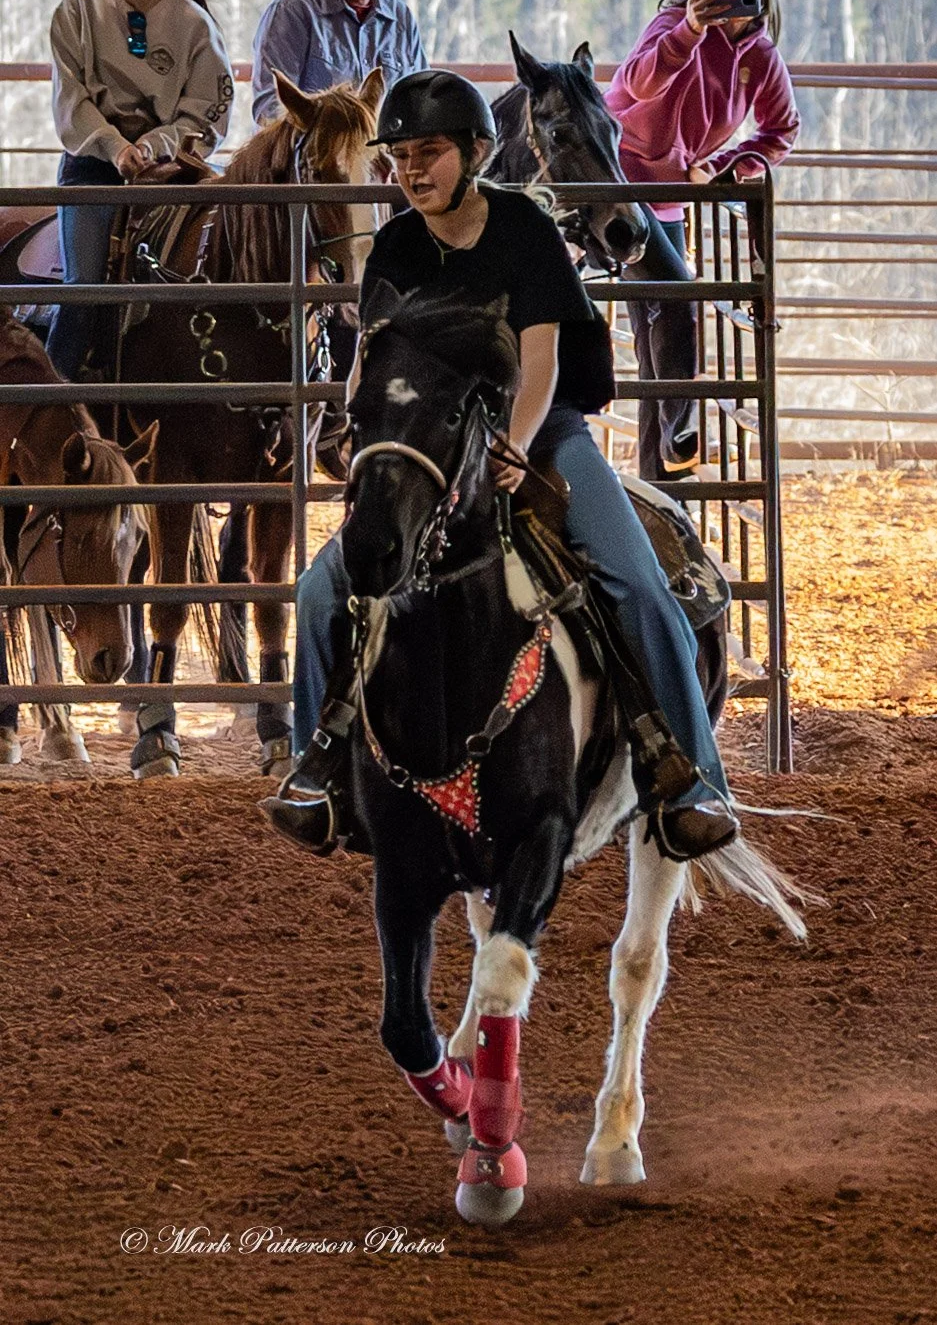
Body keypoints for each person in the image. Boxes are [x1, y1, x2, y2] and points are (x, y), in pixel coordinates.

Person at [270, 69, 739, 863]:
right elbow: (373, 356)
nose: (412, 170)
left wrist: (513, 446)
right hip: (429, 441)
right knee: (323, 588)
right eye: (400, 157)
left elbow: (540, 359)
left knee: (636, 582)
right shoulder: (396, 245)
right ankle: (319, 770)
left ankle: (691, 782)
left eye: (429, 152)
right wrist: (360, 428)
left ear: (477, 152)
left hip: (541, 433)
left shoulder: (522, 229)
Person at [605, 0, 799, 480]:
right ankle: (681, 433)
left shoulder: (760, 57)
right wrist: (690, 29)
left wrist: (724, 166)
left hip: (671, 192)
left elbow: (781, 129)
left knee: (656, 336)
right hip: (616, 180)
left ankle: (660, 481)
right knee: (676, 296)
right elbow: (636, 84)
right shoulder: (674, 23)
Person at [47, 0, 233, 381]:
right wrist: (116, 148)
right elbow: (71, 102)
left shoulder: (195, 25)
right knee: (83, 287)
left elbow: (207, 112)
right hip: (93, 163)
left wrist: (152, 147)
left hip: (169, 167)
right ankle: (53, 397)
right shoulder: (77, 11)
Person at [251, 0, 428, 126]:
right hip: (318, 146)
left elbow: (422, 100)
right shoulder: (291, 12)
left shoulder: (401, 18)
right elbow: (271, 111)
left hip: (387, 146)